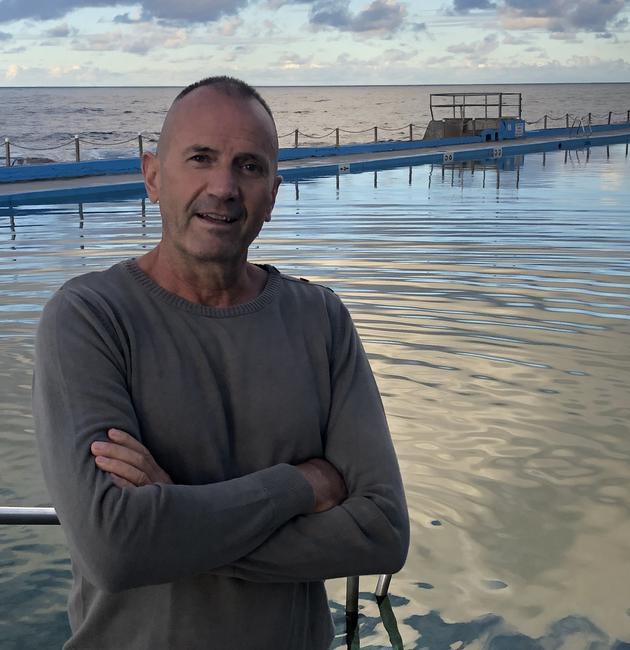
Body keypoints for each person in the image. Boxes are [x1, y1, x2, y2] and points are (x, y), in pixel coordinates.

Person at [32, 76, 409, 650]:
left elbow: (382, 531)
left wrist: (175, 524)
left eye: (250, 166)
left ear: (274, 193)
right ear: (153, 175)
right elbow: (116, 548)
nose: (224, 186)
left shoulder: (320, 319)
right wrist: (301, 487)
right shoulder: (89, 318)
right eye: (201, 158)